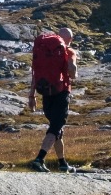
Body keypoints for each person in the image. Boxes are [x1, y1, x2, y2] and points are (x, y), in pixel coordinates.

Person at [27, 27, 78, 172]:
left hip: (46, 92)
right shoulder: (69, 51)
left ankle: (62, 163)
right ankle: (39, 159)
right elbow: (72, 71)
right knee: (55, 128)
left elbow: (36, 74)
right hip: (61, 93)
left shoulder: (45, 51)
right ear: (70, 39)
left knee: (57, 129)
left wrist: (32, 95)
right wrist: (74, 73)